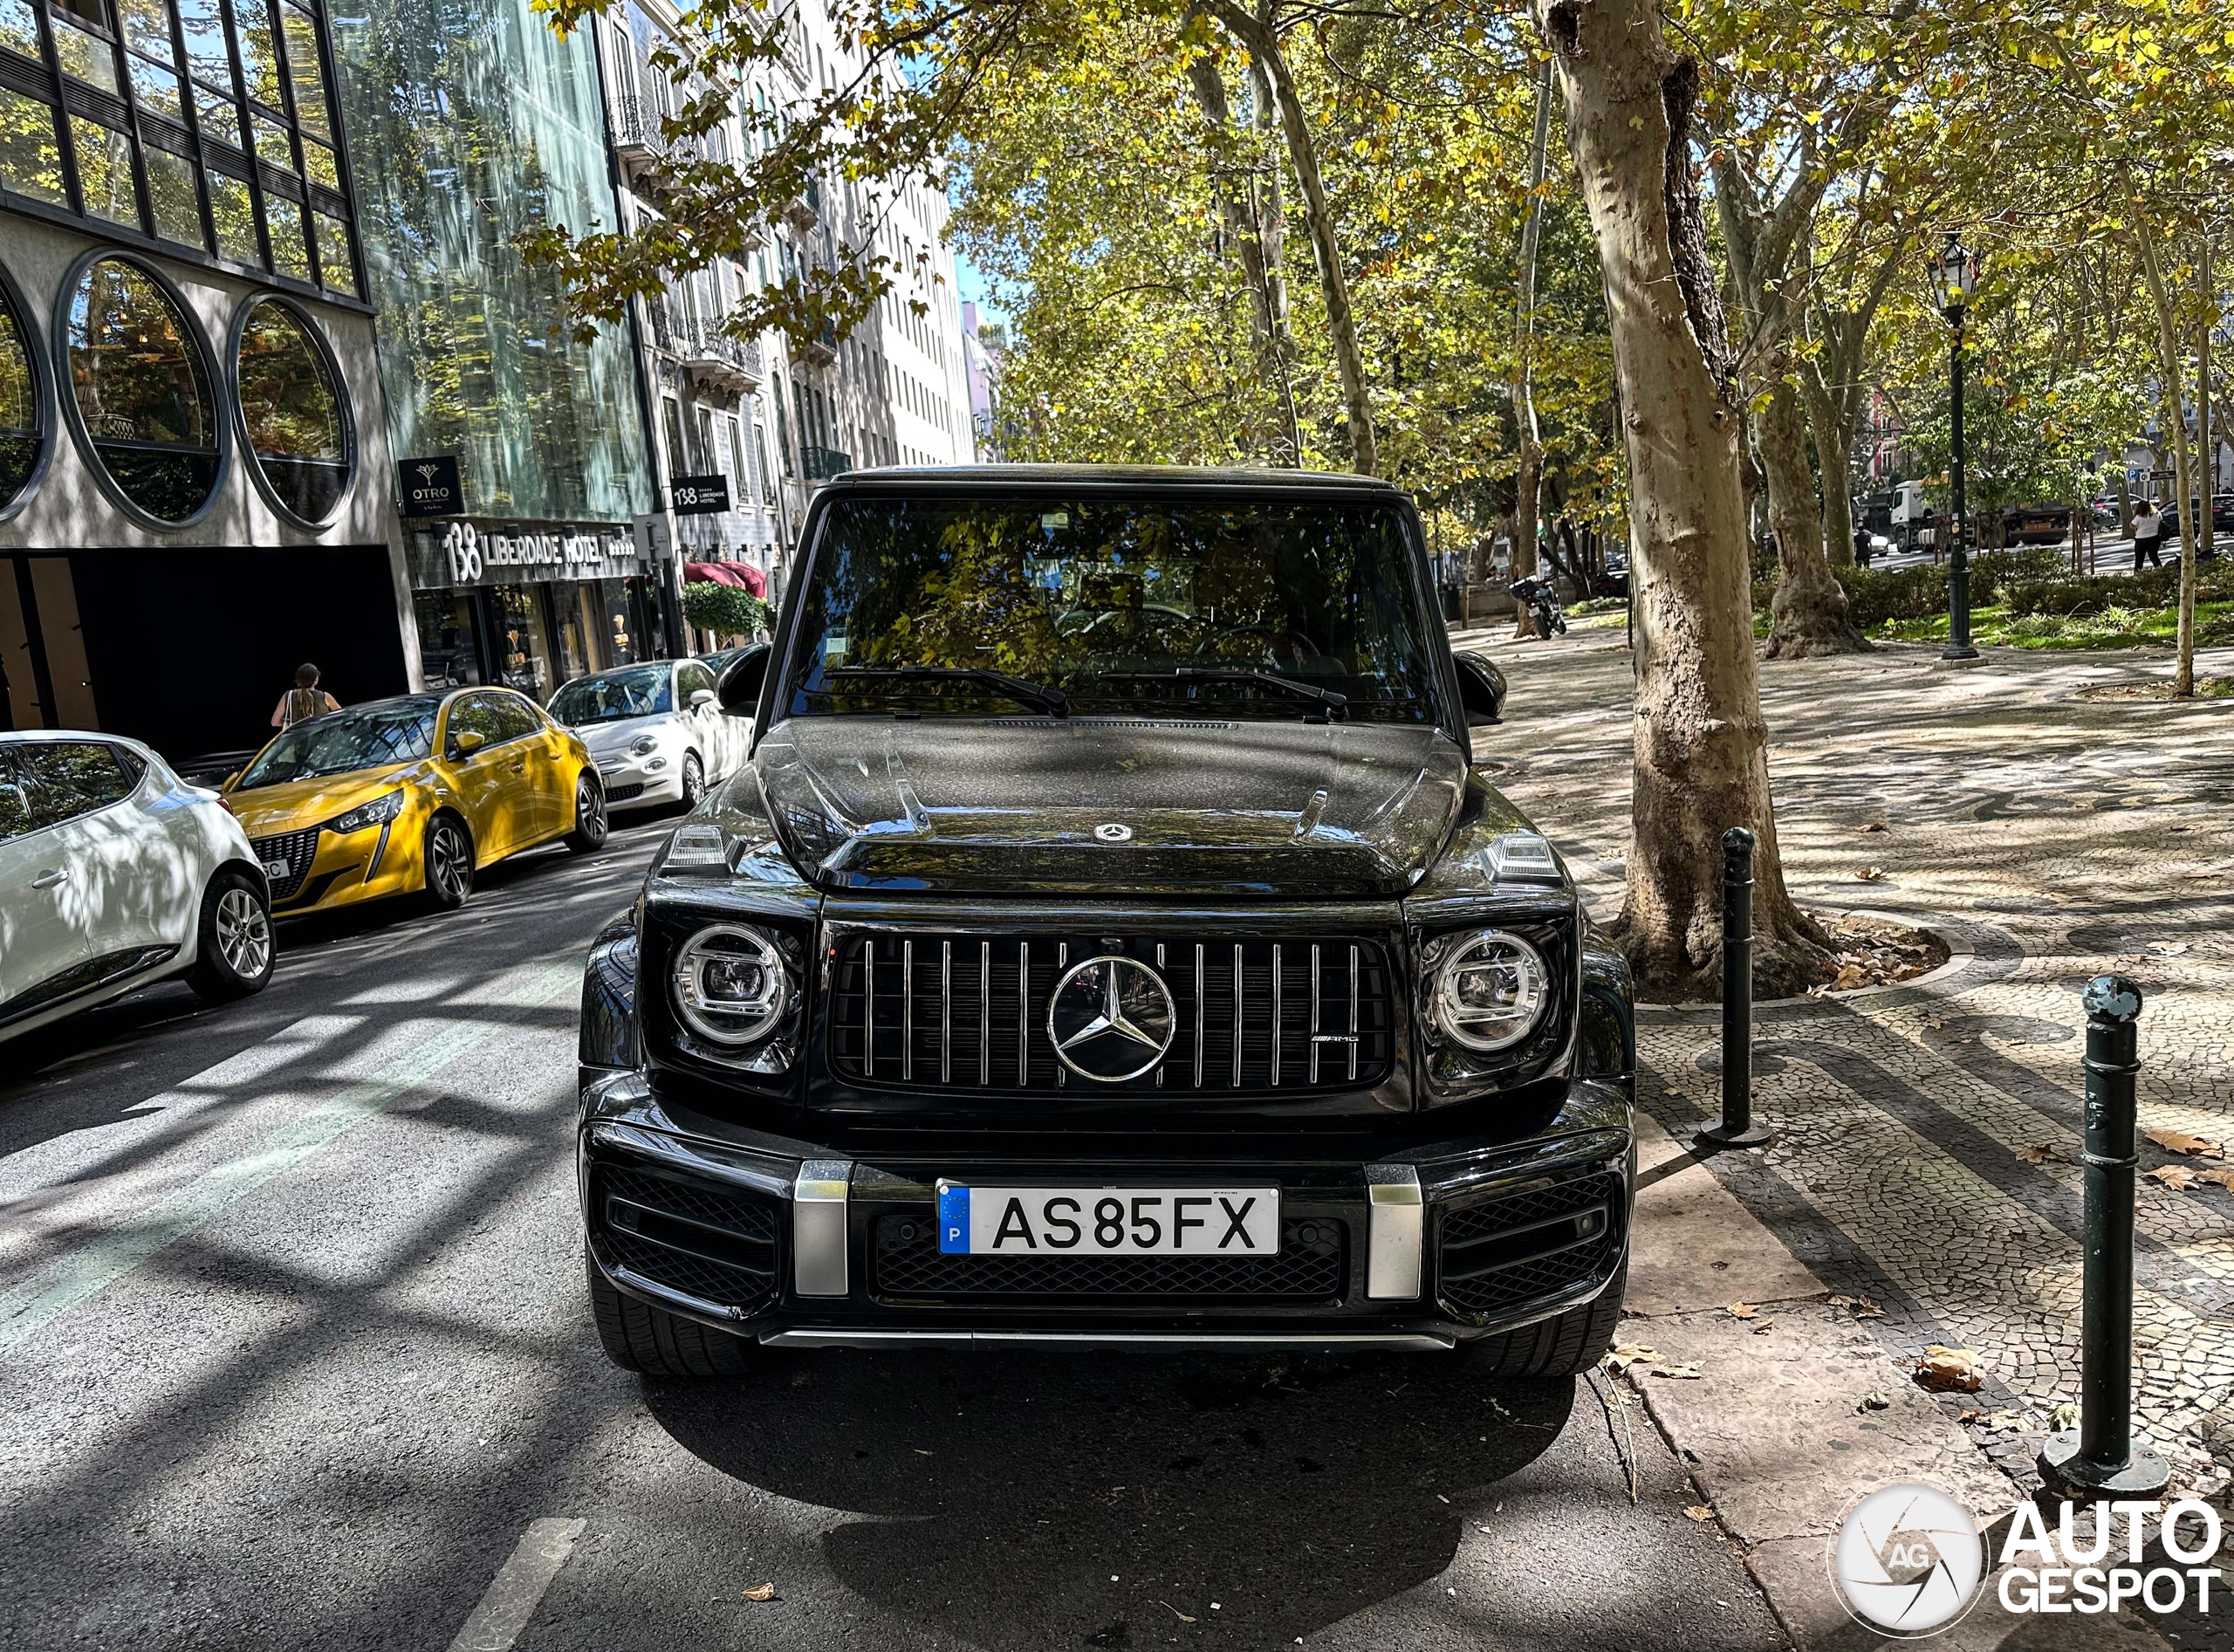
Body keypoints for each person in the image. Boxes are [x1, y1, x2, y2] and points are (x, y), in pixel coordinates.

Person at [272, 663, 340, 730]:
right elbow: (341, 716)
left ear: (298, 680)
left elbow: (275, 722)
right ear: (316, 680)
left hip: (298, 737)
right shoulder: (325, 697)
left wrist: (291, 722)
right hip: (321, 736)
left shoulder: (288, 696)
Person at [2131, 499, 2163, 571]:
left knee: (2139, 558)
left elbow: (2132, 525)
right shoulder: (2155, 515)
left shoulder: (2139, 517)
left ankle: (2138, 571)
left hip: (2141, 539)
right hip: (2154, 538)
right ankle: (2160, 569)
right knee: (2154, 556)